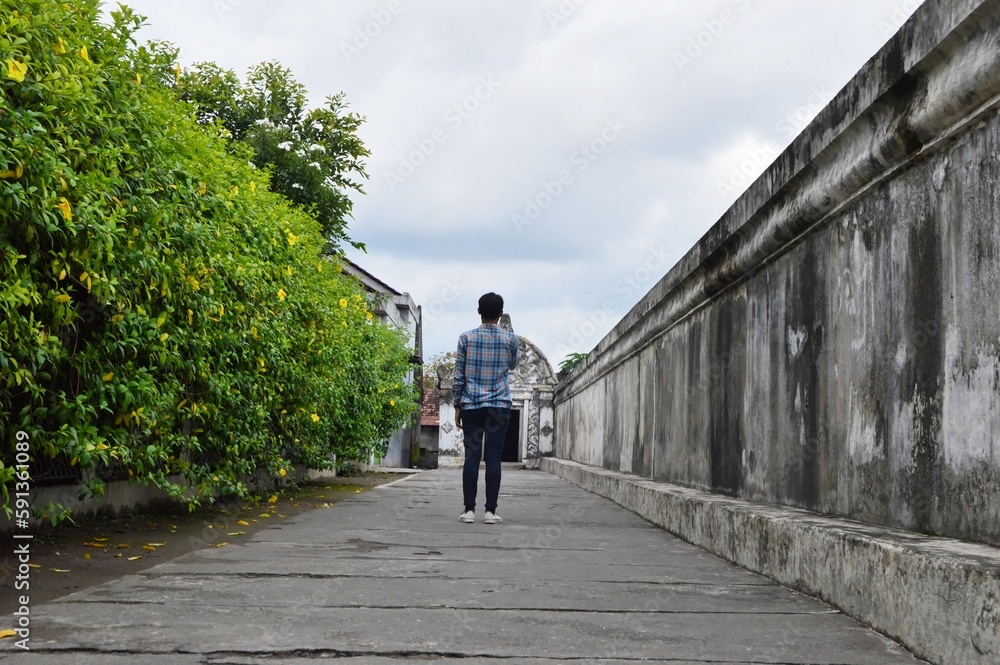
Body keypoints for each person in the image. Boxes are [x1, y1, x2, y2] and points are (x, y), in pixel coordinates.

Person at [452, 292, 519, 524]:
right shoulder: (511, 339)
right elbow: (513, 364)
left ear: (478, 311)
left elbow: (458, 375)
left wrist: (457, 404)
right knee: (493, 457)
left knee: (471, 457)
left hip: (471, 405)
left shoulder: (465, 338)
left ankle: (469, 510)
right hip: (499, 405)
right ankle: (490, 512)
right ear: (501, 314)